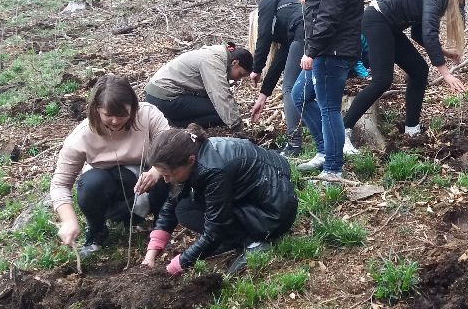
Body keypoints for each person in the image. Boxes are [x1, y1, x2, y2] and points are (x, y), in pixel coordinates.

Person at [339, 0, 468, 151]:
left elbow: (419, 34)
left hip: (388, 24)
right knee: (382, 80)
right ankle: (342, 131)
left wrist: (444, 52)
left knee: (419, 71)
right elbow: (429, 34)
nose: (463, 2)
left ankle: (411, 129)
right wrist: (446, 74)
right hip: (377, 19)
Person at [140, 124, 297, 276]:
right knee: (184, 208)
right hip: (256, 195)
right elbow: (172, 201)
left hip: (271, 212)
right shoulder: (194, 151)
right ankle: (234, 239)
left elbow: (214, 229)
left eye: (168, 174)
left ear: (190, 160)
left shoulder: (214, 171)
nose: (166, 180)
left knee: (188, 212)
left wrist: (177, 266)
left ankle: (252, 242)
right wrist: (151, 253)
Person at [50, 75, 170, 256]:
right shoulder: (82, 136)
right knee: (90, 183)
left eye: (122, 114)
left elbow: (172, 146)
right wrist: (68, 220)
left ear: (133, 107)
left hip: (146, 180)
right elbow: (60, 184)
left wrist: (155, 171)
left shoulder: (148, 115)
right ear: (96, 110)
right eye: (108, 115)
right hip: (109, 186)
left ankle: (160, 228)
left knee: (165, 174)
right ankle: (97, 231)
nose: (115, 121)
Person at [292, 0, 365, 184]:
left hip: (332, 51)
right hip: (325, 47)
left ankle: (333, 169)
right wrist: (307, 0)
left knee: (329, 107)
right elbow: (320, 11)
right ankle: (325, 152)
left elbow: (330, 17)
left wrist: (311, 51)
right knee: (300, 95)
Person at [248, 0, 305, 156]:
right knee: (302, 88)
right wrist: (263, 96)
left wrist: (256, 69)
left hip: (305, 33)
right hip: (313, 33)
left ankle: (294, 146)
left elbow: (264, 36)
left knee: (289, 88)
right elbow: (279, 61)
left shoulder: (266, 3)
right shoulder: (289, 14)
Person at [144, 43, 253, 129]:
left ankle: (172, 119)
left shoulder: (217, 55)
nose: (238, 79)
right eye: (240, 74)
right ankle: (173, 123)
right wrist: (237, 125)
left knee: (222, 109)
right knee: (220, 114)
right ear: (235, 63)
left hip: (157, 94)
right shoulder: (214, 62)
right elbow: (221, 95)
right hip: (163, 98)